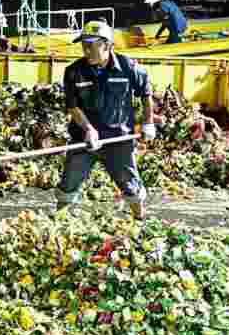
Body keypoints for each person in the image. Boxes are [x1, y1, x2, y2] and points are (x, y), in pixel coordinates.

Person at [57, 20, 156, 220]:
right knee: (69, 181)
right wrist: (88, 129)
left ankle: (140, 220)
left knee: (129, 183)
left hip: (118, 138)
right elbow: (72, 106)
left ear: (108, 45)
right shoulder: (74, 71)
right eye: (84, 45)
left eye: (91, 45)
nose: (86, 50)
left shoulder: (129, 67)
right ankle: (58, 221)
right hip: (84, 139)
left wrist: (148, 122)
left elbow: (146, 93)